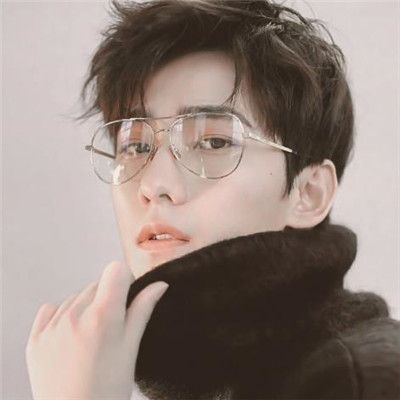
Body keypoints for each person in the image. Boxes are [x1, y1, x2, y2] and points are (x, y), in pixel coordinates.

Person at [26, 1, 400, 399]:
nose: (154, 184)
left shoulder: (365, 380)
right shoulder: (193, 374)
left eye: (214, 142)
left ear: (309, 193)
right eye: (135, 146)